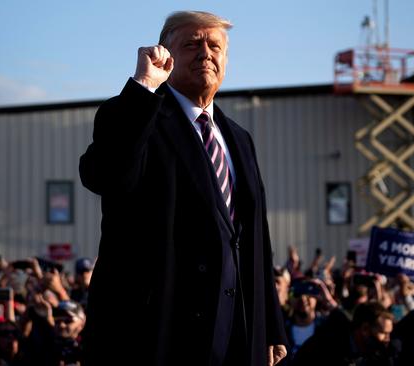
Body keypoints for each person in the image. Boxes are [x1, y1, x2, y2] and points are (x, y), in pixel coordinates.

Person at [79, 10, 287, 366]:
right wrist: (144, 87)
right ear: (165, 55)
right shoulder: (135, 115)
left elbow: (255, 237)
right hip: (155, 332)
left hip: (236, 332)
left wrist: (270, 325)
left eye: (215, 46)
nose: (206, 53)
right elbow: (107, 176)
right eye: (192, 44)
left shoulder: (239, 138)